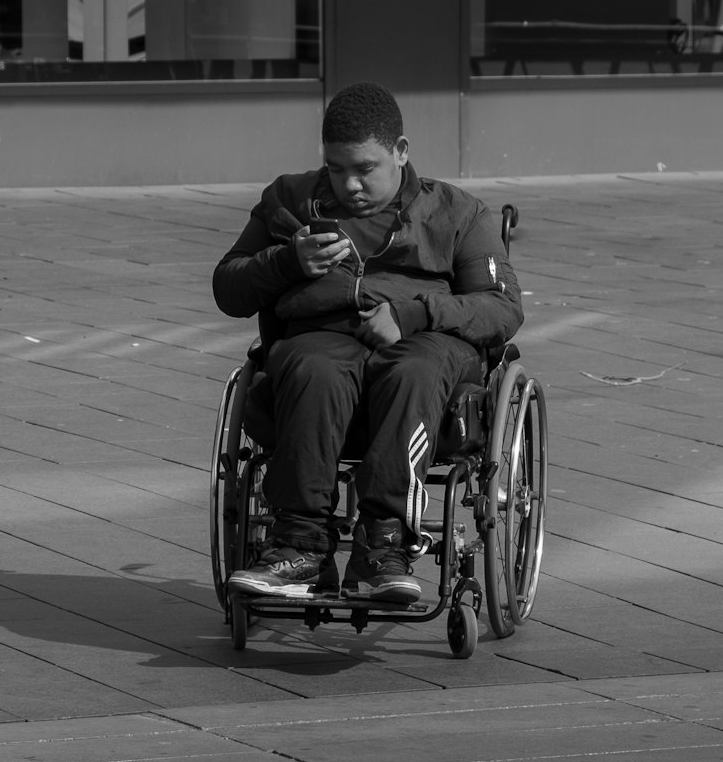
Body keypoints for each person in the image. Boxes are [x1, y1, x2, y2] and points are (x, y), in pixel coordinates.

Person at [212, 82, 523, 604]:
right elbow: (229, 286)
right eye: (336, 169)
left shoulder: (456, 213)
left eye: (364, 168)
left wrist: (413, 312)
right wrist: (288, 262)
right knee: (311, 366)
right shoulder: (289, 201)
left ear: (401, 152)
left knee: (413, 372)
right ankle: (299, 545)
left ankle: (385, 545)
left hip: (425, 344)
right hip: (322, 342)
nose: (350, 184)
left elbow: (502, 306)